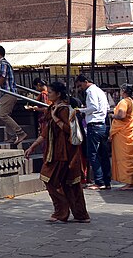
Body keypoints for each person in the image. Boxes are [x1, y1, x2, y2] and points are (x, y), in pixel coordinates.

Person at [24, 81, 90, 223]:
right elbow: (45, 132)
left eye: (50, 93)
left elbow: (69, 130)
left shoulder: (64, 109)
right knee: (64, 182)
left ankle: (68, 212)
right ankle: (70, 212)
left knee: (59, 181)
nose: (48, 95)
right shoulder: (52, 108)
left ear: (58, 94)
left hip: (66, 152)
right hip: (55, 152)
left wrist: (57, 119)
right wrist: (33, 146)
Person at [76, 74, 112, 190]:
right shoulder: (100, 91)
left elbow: (94, 107)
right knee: (103, 154)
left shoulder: (90, 91)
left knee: (93, 154)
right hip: (102, 125)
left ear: (85, 81)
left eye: (80, 85)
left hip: (94, 125)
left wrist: (81, 110)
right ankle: (106, 181)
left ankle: (99, 181)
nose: (80, 88)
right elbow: (106, 108)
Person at [109, 84, 133, 190]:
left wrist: (112, 115)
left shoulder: (124, 102)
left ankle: (129, 183)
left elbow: (121, 115)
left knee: (126, 158)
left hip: (124, 135)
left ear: (123, 91)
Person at [0, 46, 26, 147]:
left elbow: (2, 78)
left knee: (3, 115)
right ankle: (12, 136)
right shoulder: (3, 64)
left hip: (8, 93)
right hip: (7, 93)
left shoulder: (3, 64)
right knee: (6, 115)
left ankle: (20, 132)